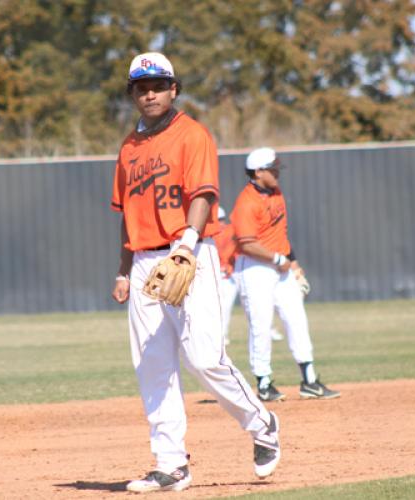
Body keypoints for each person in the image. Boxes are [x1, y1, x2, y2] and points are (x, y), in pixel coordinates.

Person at [110, 53, 280, 493]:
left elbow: (202, 195)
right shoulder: (128, 148)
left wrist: (186, 242)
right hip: (145, 260)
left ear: (173, 89)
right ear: (133, 94)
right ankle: (171, 464)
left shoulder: (193, 135)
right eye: (142, 86)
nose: (150, 93)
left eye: (158, 84)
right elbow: (126, 214)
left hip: (189, 251)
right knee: (152, 366)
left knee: (204, 357)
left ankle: (262, 423)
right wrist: (124, 270)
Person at [230, 147, 341, 402]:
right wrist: (278, 259)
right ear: (258, 172)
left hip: (280, 267)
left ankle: (310, 380)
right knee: (260, 325)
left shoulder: (275, 193)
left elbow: (281, 233)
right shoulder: (246, 202)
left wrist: (294, 264)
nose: (277, 173)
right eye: (272, 169)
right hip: (255, 268)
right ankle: (264, 383)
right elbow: (246, 243)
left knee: (296, 319)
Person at [214, 207, 283, 345]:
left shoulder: (223, 231)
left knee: (249, 303)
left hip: (233, 271)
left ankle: (266, 330)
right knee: (229, 305)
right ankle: (222, 336)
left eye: (221, 220)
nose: (220, 223)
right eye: (218, 220)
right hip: (229, 272)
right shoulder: (220, 232)